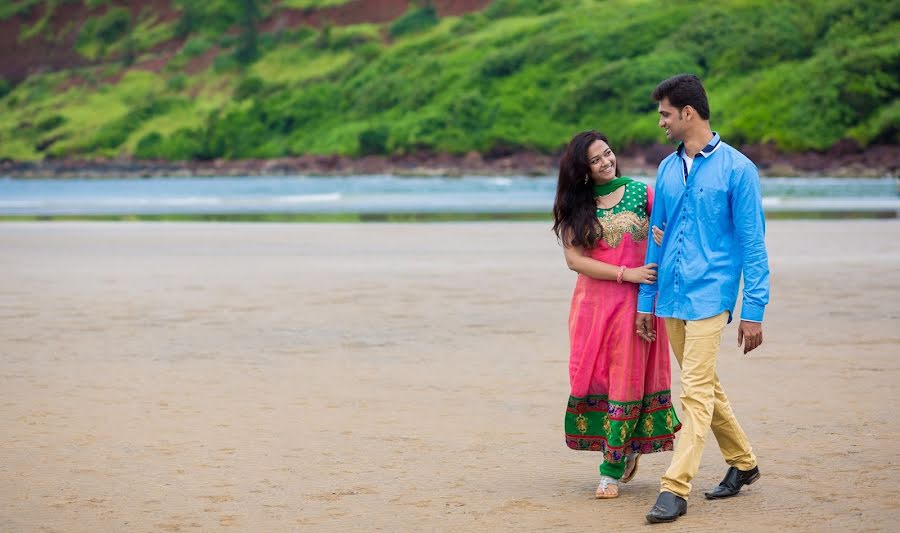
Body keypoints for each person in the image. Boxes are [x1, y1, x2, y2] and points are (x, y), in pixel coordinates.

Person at [636, 74, 770, 524]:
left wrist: (753, 311)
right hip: (671, 296)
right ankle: (744, 463)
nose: (661, 123)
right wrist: (645, 301)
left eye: (665, 114)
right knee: (706, 386)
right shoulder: (667, 168)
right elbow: (656, 238)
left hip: (712, 295)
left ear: (687, 113)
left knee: (693, 391)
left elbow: (754, 246)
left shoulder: (738, 169)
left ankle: (674, 489)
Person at [553, 131, 681, 499]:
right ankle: (622, 449)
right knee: (593, 378)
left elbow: (670, 231)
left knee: (627, 380)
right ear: (583, 170)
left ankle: (609, 469)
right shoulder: (577, 204)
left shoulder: (642, 193)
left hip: (636, 306)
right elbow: (574, 260)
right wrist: (628, 272)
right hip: (593, 306)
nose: (606, 162)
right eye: (595, 160)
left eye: (607, 153)